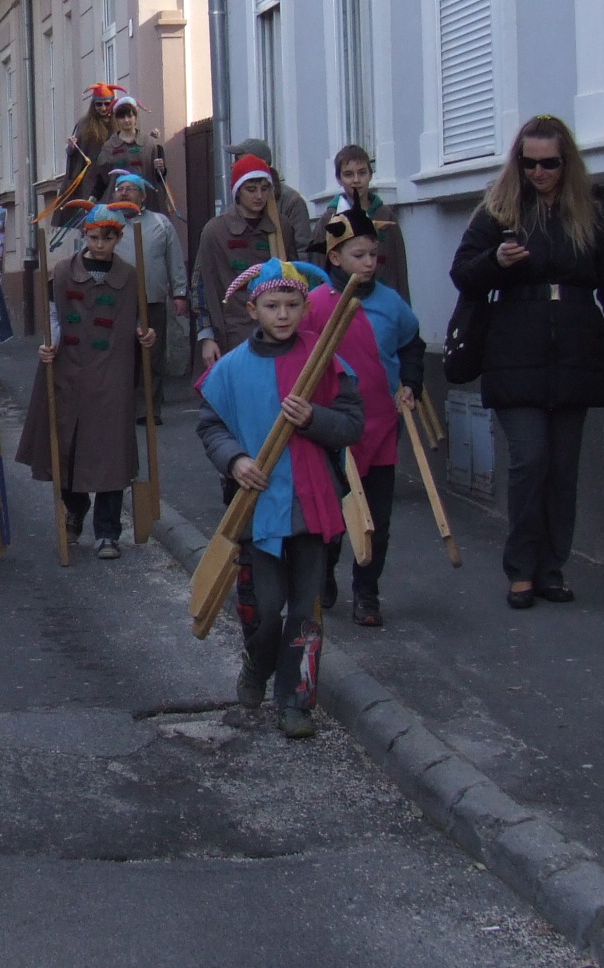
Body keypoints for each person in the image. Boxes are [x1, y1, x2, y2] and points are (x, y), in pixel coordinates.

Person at [450, 115, 604, 610]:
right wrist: (497, 261)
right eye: (528, 163)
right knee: (530, 458)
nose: (538, 173)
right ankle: (520, 569)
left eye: (549, 164)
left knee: (562, 470)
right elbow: (463, 273)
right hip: (514, 348)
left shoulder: (594, 211)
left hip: (576, 348)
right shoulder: (499, 207)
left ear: (566, 162)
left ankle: (552, 568)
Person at [196, 260, 364, 739]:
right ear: (254, 309)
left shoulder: (324, 359)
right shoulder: (230, 370)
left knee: (306, 612)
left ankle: (296, 702)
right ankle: (257, 664)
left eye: (292, 304)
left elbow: (352, 424)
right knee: (267, 609)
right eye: (272, 305)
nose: (283, 314)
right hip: (258, 507)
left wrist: (313, 418)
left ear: (305, 307)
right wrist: (235, 461)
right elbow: (211, 427)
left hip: (313, 504)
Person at [21, 203, 156, 560]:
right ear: (84, 235)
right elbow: (53, 315)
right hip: (69, 370)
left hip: (112, 373)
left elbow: (139, 317)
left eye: (107, 239)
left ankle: (108, 532)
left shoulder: (129, 276)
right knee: (68, 443)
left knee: (112, 450)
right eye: (93, 237)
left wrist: (145, 334)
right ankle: (75, 508)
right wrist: (49, 344)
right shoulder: (63, 272)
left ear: (118, 238)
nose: (99, 245)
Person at [307, 205, 420, 626]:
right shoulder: (315, 305)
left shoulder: (391, 303)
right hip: (331, 428)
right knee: (332, 512)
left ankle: (367, 592)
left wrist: (411, 383)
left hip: (380, 425)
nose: (369, 263)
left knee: (378, 518)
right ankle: (323, 574)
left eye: (374, 254)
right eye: (359, 255)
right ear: (335, 257)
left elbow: (411, 344)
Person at [192, 153, 291, 372]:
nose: (259, 196)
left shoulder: (280, 228)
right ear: (237, 191)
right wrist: (206, 335)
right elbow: (200, 285)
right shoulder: (215, 231)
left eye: (264, 189)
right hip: (231, 332)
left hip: (276, 329)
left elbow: (295, 279)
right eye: (251, 189)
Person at [107, 168, 187, 410]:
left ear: (142, 196)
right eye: (120, 189)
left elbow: (174, 259)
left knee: (152, 355)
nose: (124, 193)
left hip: (152, 300)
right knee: (122, 355)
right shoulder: (107, 223)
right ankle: (124, 406)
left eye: (130, 189)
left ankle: (149, 408)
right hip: (117, 301)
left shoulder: (161, 223)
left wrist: (179, 293)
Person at [313, 144, 413, 302]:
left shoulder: (385, 216)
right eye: (348, 174)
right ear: (339, 178)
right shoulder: (328, 220)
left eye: (362, 173)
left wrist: (402, 307)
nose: (356, 180)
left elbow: (399, 268)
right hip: (341, 303)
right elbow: (318, 271)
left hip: (383, 303)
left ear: (370, 175)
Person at [228, 138, 315, 256]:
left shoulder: (291, 202)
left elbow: (302, 249)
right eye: (251, 189)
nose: (232, 165)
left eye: (238, 160)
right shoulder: (238, 203)